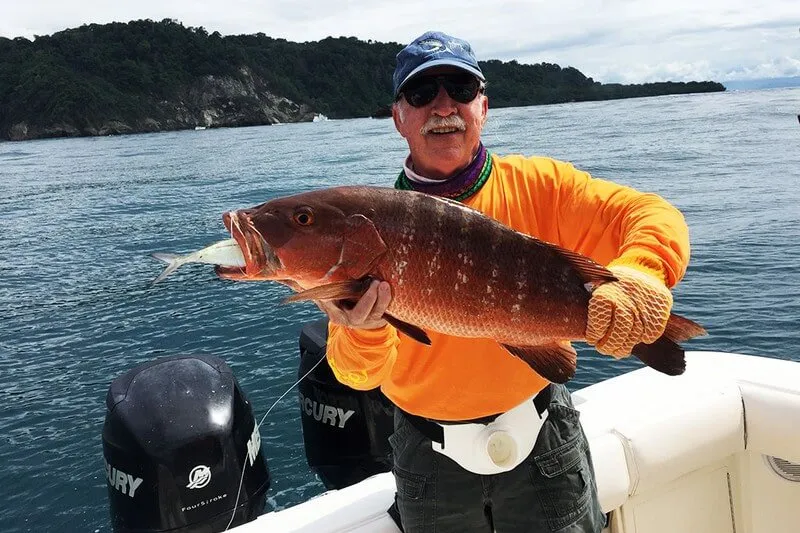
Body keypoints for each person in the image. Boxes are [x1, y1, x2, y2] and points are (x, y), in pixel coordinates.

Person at [316, 31, 691, 533]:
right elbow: (359, 375)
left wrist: (640, 273)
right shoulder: (366, 228)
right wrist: (363, 329)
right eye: (422, 93)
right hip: (429, 460)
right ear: (398, 117)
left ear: (484, 106)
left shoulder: (544, 187)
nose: (443, 105)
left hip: (544, 442)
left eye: (461, 89)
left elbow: (649, 213)